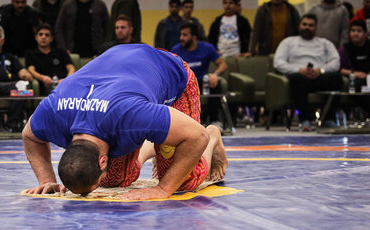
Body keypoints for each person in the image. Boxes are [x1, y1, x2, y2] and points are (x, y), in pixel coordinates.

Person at [22, 44, 228, 201]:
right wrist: (47, 181)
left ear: (103, 160)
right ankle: (162, 138)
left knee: (183, 181)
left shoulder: (132, 114)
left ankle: (214, 137)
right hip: (123, 76)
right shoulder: (55, 112)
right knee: (114, 180)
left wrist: (163, 189)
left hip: (170, 71)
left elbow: (196, 136)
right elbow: (29, 135)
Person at [274, 14, 342, 131]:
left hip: (320, 76)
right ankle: (305, 120)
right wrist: (299, 70)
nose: (307, 27)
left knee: (336, 78)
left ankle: (328, 119)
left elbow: (336, 62)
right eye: (304, 24)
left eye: (311, 25)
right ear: (299, 26)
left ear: (316, 28)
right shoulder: (288, 42)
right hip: (299, 76)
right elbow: (278, 62)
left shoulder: (325, 43)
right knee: (296, 79)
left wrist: (321, 70)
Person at [172, 22, 227, 126]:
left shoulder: (207, 48)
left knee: (215, 84)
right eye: (181, 34)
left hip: (201, 83)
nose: (181, 38)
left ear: (194, 37)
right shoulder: (176, 50)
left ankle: (215, 121)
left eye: (185, 35)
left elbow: (223, 65)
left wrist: (215, 74)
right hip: (184, 84)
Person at [25, 23, 74, 95]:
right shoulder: (30, 54)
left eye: (47, 35)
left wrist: (66, 81)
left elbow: (71, 68)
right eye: (40, 34)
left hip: (63, 84)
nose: (43, 37)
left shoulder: (61, 51)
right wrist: (42, 78)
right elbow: (31, 70)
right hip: (44, 85)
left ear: (51, 38)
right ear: (36, 37)